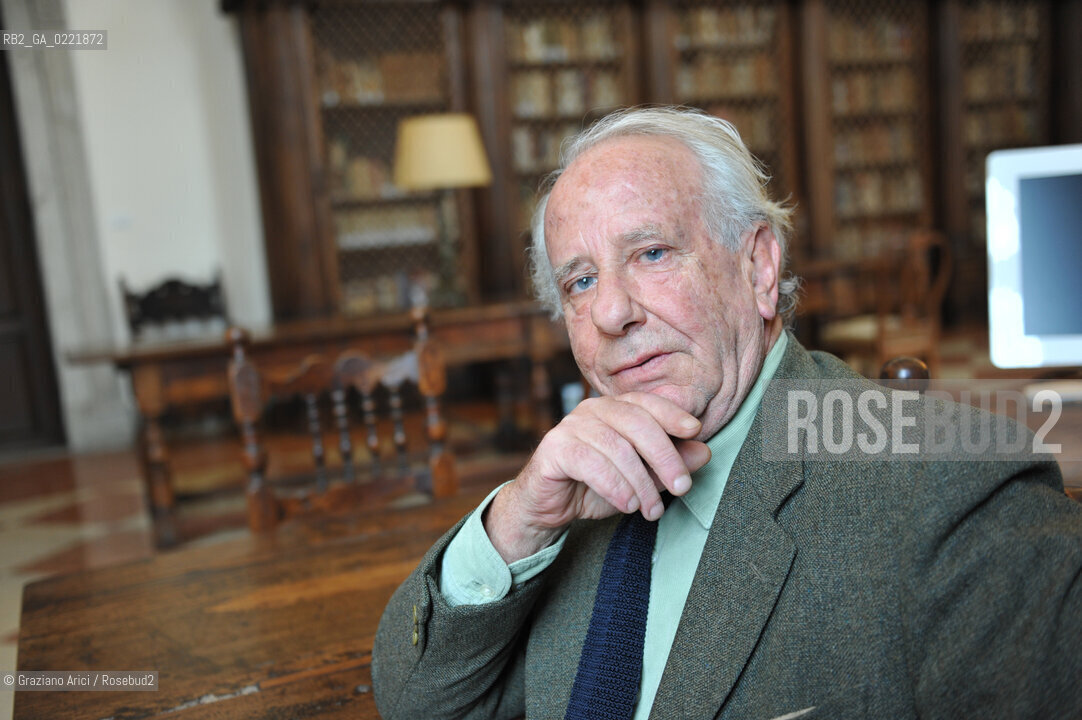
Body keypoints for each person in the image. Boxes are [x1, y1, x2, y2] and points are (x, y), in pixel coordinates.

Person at [372, 106, 1082, 719]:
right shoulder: (563, 512)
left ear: (759, 269)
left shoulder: (952, 488)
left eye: (651, 253)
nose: (613, 311)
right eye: (581, 280)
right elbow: (419, 703)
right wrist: (518, 520)